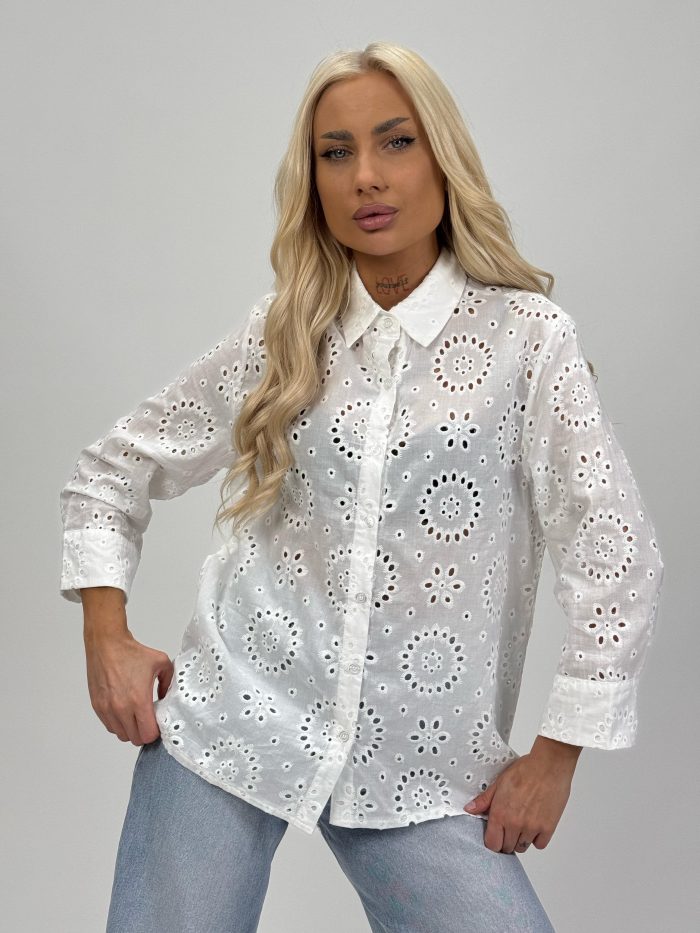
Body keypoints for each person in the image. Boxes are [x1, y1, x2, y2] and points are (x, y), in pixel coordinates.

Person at [59, 41, 664, 933]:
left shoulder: (530, 342)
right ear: (312, 181)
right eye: (335, 153)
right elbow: (111, 470)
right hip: (231, 722)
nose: (366, 177)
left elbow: (615, 557)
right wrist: (104, 635)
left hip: (421, 764)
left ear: (443, 157)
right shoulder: (285, 332)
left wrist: (557, 754)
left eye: (396, 142)